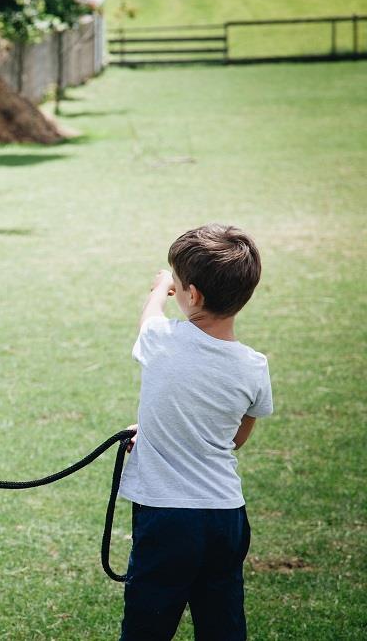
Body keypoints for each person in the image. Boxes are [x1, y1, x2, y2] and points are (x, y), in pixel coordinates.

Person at [119, 224, 273, 641]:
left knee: (147, 626)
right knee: (222, 623)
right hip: (226, 516)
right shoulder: (253, 366)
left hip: (166, 518)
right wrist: (157, 429)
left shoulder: (161, 340)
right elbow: (237, 437)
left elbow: (149, 319)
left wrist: (159, 288)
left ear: (192, 295)